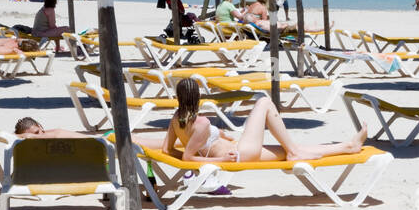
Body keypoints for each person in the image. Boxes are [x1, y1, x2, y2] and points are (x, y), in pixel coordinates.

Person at [133, 79, 366, 163]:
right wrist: (220, 157)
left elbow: (167, 149)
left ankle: (348, 146)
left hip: (239, 150)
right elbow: (187, 156)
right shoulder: (201, 123)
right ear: (197, 97)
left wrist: (211, 144)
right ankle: (295, 151)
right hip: (239, 154)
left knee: (287, 151)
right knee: (264, 103)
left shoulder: (177, 118)